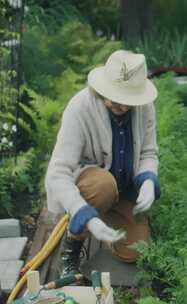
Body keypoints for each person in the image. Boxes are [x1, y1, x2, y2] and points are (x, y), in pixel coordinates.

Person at [45, 50, 160, 275]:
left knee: (136, 251)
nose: (124, 107)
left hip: (125, 191)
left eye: (130, 101)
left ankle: (106, 220)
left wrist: (148, 179)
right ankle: (72, 246)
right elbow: (58, 172)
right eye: (119, 99)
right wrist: (81, 211)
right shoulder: (80, 108)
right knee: (103, 186)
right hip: (94, 187)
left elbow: (148, 152)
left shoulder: (145, 107)